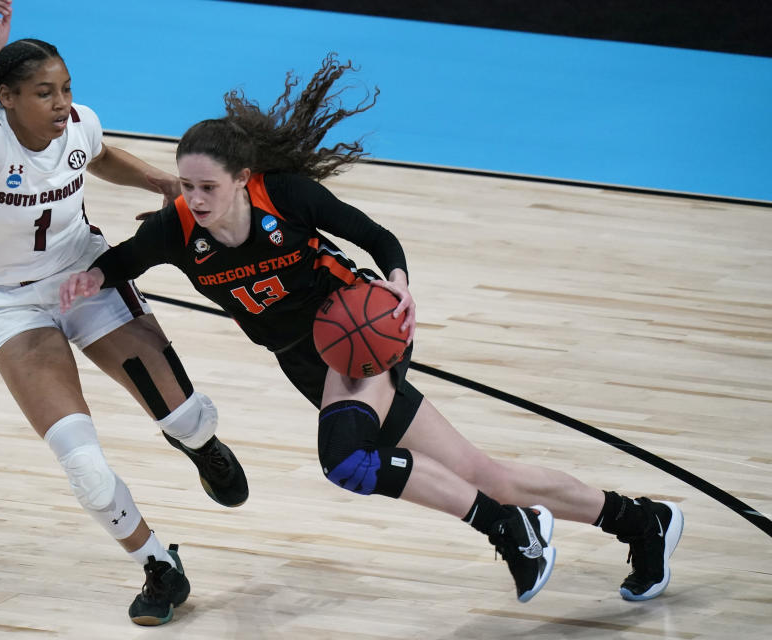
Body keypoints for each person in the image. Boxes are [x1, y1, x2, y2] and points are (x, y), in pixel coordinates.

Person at [60, 53, 684, 604]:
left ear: (243, 179)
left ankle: (508, 528)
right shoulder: (174, 231)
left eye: (208, 186)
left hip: (360, 330)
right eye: (187, 184)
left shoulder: (288, 197)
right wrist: (88, 279)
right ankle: (639, 520)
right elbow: (119, 263)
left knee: (348, 462)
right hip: (302, 359)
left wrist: (400, 283)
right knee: (482, 471)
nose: (193, 197)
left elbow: (378, 238)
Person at [0, 1, 249, 626]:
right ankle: (160, 565)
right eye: (42, 93)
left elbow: (99, 153)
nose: (61, 104)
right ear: (5, 97)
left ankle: (201, 446)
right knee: (83, 466)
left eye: (65, 89)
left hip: (87, 279)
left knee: (190, 417)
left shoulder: (77, 125)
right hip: (12, 306)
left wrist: (163, 184)